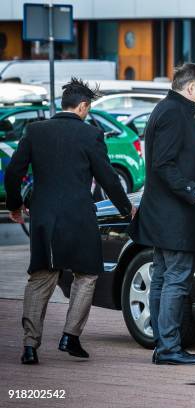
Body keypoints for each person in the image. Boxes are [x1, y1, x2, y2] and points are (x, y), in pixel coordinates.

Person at [4, 78, 135, 365]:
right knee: (86, 276)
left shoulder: (35, 131)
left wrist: (15, 206)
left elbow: (13, 172)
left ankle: (30, 345)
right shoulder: (91, 135)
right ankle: (70, 336)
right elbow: (107, 178)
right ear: (83, 107)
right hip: (80, 218)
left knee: (41, 279)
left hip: (44, 218)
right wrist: (126, 209)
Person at [127, 63, 195, 366]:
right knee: (175, 280)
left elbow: (171, 158)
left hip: (164, 213)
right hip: (173, 215)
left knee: (163, 278)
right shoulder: (174, 113)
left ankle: (162, 345)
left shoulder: (173, 110)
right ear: (190, 87)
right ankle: (168, 348)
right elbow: (163, 164)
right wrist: (193, 191)